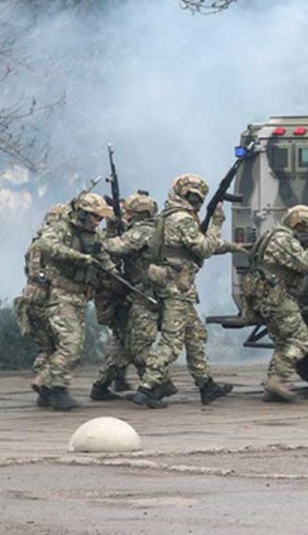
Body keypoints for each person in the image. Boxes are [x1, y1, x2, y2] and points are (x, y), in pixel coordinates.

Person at [132, 174, 236, 409]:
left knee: (194, 335)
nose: (197, 201)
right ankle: (147, 387)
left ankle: (206, 385)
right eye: (195, 196)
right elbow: (204, 248)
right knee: (172, 342)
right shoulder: (182, 218)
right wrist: (217, 223)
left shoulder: (171, 214)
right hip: (176, 287)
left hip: (177, 286)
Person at [32, 193, 116, 410]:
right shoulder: (62, 228)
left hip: (79, 296)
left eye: (101, 218)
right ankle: (57, 388)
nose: (98, 222)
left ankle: (46, 388)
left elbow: (103, 257)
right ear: (83, 213)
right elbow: (46, 244)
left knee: (71, 345)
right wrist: (78, 257)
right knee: (71, 346)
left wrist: (114, 275)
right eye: (95, 217)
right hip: (60, 294)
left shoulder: (93, 235)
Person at [241, 205, 308, 402]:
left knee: (283, 341)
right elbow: (303, 263)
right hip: (275, 297)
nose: (307, 232)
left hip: (266, 296)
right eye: (306, 228)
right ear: (299, 224)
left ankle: (272, 387)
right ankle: (278, 380)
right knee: (300, 339)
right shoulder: (283, 239)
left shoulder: (273, 235)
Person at [90, 192, 159, 401]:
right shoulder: (135, 232)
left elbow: (116, 247)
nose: (126, 216)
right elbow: (113, 248)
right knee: (132, 342)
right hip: (121, 292)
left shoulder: (140, 232)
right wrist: (111, 229)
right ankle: (153, 385)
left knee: (123, 342)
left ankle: (103, 385)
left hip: (129, 292)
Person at [15, 202, 72, 407]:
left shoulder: (35, 243)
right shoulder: (51, 244)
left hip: (29, 298)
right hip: (46, 298)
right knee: (65, 346)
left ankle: (44, 392)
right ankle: (47, 383)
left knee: (46, 348)